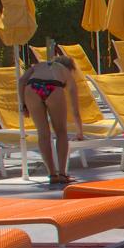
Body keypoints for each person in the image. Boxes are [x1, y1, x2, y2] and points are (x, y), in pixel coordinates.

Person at [18, 54, 84, 184]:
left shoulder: (39, 66)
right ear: (71, 68)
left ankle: (52, 174)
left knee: (43, 134)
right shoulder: (66, 74)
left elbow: (21, 81)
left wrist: (23, 105)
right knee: (61, 132)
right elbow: (75, 111)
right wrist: (80, 132)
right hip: (53, 87)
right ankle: (63, 174)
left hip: (32, 87)